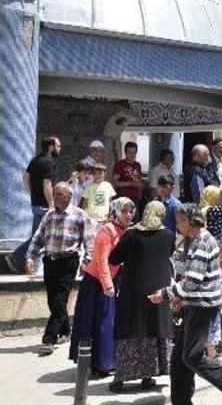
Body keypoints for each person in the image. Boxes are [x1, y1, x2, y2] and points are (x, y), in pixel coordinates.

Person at [147, 204, 222, 405]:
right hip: (194, 303)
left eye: (179, 221)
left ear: (188, 221)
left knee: (191, 356)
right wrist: (180, 296)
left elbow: (193, 281)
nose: (177, 225)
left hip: (202, 306)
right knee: (179, 360)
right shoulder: (195, 240)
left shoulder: (202, 241)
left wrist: (166, 294)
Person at [108, 201, 174, 392]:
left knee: (132, 329)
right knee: (153, 330)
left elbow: (114, 258)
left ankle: (120, 379)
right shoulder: (168, 235)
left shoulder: (132, 234)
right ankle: (148, 377)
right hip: (158, 292)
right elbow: (168, 253)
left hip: (133, 291)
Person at [25, 182, 95, 354]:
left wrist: (86, 262)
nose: (54, 197)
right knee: (52, 299)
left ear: (69, 197)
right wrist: (30, 257)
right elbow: (38, 237)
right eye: (54, 194)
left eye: (58, 194)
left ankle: (49, 339)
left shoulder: (79, 215)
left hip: (68, 262)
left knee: (59, 299)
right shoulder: (49, 215)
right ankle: (65, 330)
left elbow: (89, 241)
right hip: (50, 261)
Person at [69, 197, 135, 377]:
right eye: (124, 211)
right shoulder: (107, 230)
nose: (128, 215)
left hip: (113, 283)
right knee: (100, 324)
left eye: (130, 211)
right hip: (97, 283)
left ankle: (107, 361)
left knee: (109, 323)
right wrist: (107, 285)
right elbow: (101, 261)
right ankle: (98, 363)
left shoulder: (127, 231)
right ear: (115, 212)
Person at [7, 136, 60, 274]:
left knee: (38, 235)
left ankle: (25, 263)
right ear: (51, 147)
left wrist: (32, 193)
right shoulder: (49, 162)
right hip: (43, 206)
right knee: (40, 237)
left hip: (35, 204)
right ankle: (17, 256)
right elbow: (47, 184)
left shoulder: (35, 160)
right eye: (58, 146)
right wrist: (51, 205)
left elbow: (25, 178)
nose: (59, 149)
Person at [112, 141, 144, 214]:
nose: (132, 155)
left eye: (134, 152)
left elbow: (139, 180)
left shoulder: (138, 165)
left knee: (134, 221)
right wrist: (130, 183)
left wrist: (140, 191)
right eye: (129, 152)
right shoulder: (119, 165)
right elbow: (115, 183)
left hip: (135, 199)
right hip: (122, 198)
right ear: (125, 152)